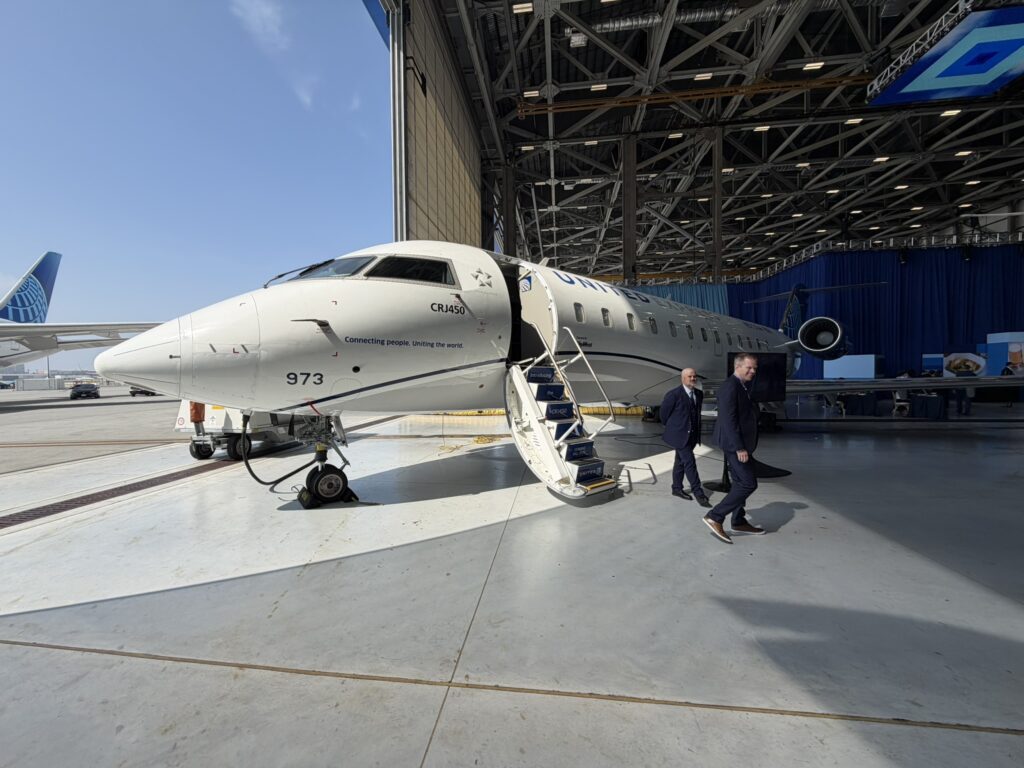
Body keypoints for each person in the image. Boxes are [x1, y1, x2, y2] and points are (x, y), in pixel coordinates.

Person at [703, 353, 765, 544]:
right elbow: (728, 421)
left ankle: (738, 521)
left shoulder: (741, 385)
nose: (753, 371)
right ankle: (715, 516)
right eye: (749, 367)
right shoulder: (730, 387)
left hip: (740, 443)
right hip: (734, 445)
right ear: (737, 367)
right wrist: (739, 447)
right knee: (748, 483)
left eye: (755, 368)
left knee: (739, 482)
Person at [660, 368, 711, 508]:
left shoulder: (699, 394)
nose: (693, 379)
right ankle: (698, 493)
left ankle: (676, 488)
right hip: (679, 436)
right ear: (683, 378)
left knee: (680, 462)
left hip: (693, 436)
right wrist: (674, 428)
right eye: (690, 376)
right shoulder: (673, 395)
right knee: (690, 463)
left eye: (694, 376)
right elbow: (663, 415)